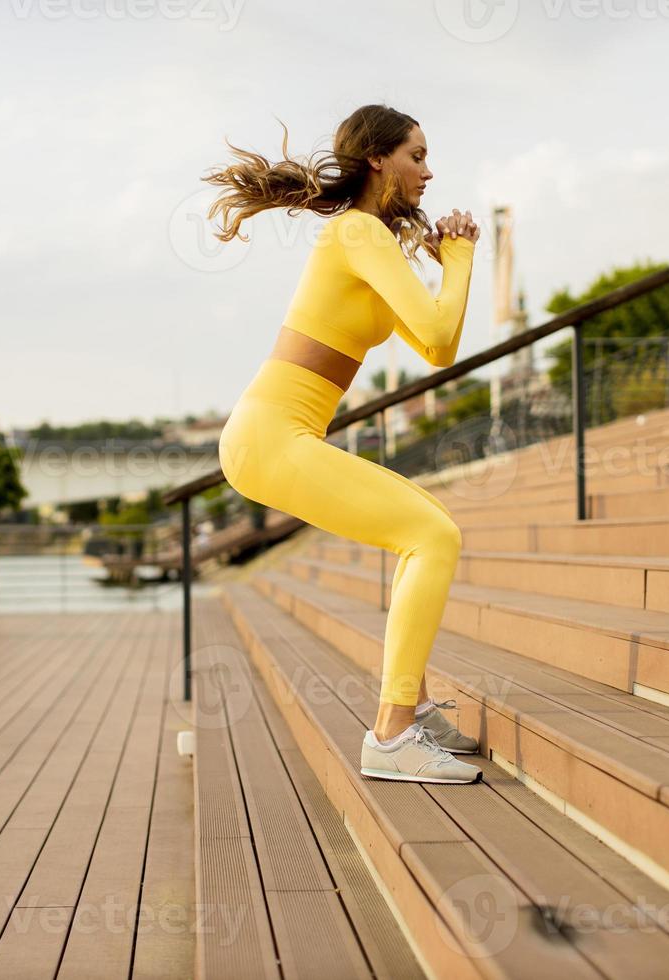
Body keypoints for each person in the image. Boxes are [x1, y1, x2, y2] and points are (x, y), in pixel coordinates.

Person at [205, 104, 482, 784]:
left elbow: (434, 345)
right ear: (377, 159)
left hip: (275, 436)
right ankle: (391, 736)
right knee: (433, 536)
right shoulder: (358, 232)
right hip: (270, 435)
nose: (429, 170)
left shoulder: (369, 242)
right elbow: (443, 337)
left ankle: (409, 708)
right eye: (417, 155)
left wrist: (450, 263)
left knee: (421, 532)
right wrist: (462, 256)